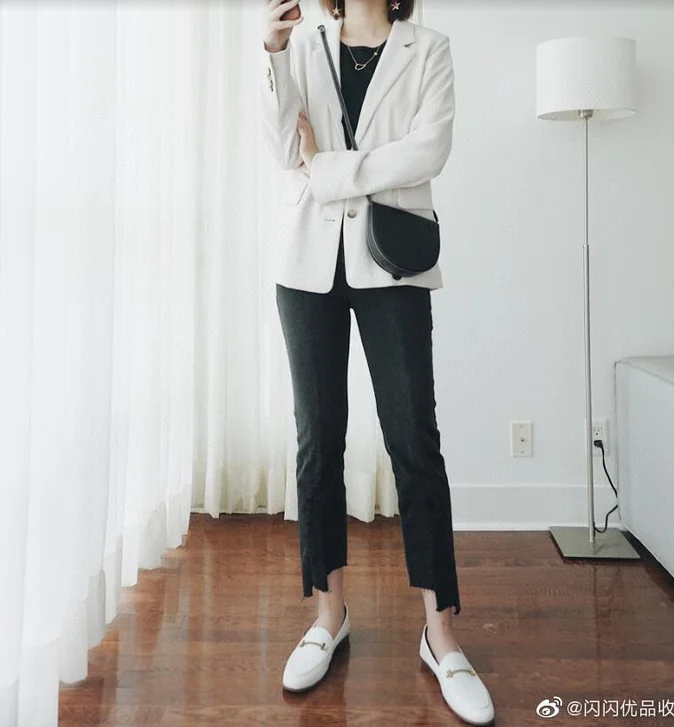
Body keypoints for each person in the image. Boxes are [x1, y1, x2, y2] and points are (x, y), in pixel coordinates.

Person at [260, 0, 494, 724]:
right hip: (307, 265)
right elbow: (282, 150)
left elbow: (429, 151)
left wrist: (328, 168)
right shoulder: (304, 44)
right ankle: (328, 616)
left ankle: (440, 633)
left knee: (414, 441)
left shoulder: (428, 47)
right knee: (317, 442)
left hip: (393, 262)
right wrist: (273, 55)